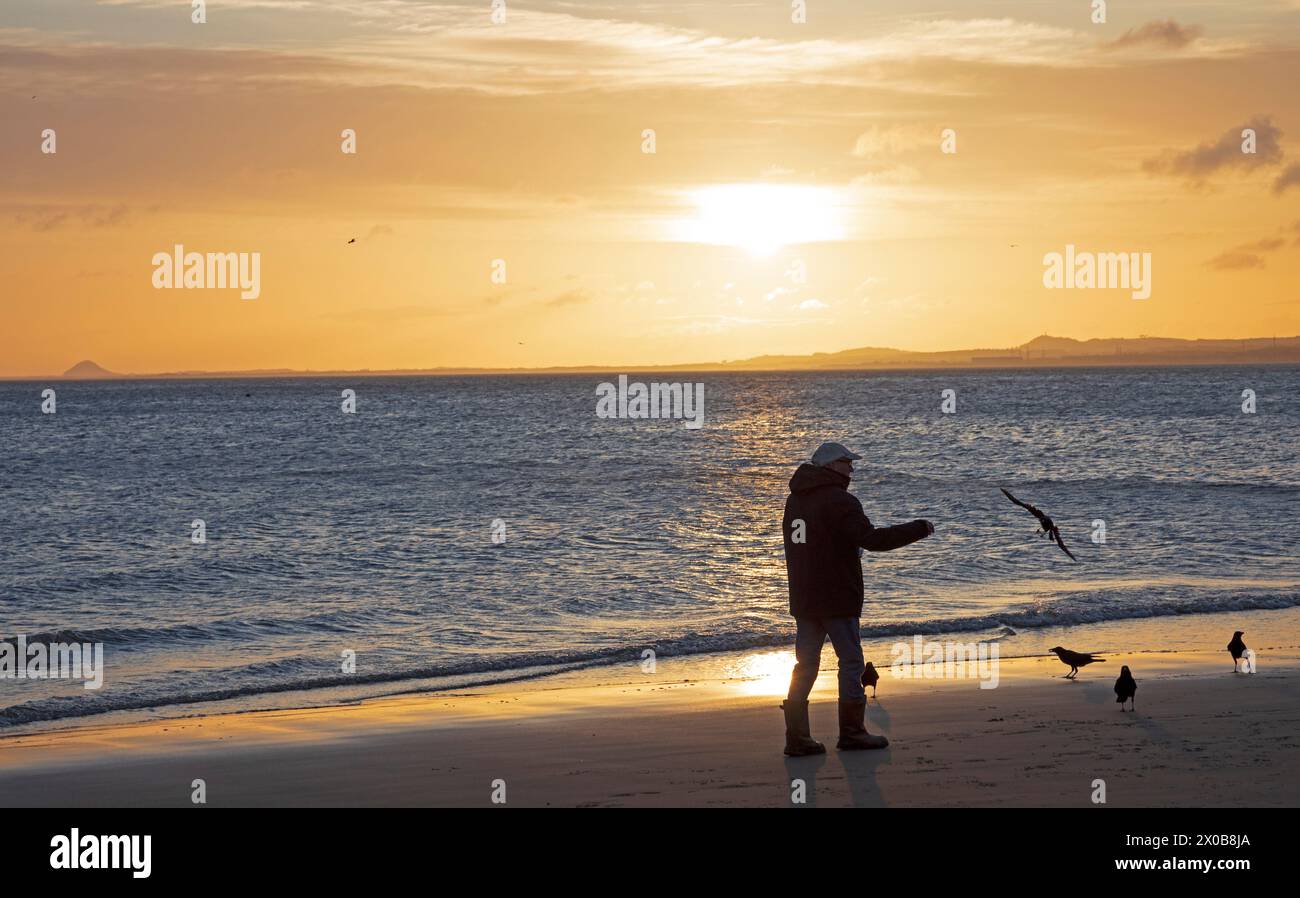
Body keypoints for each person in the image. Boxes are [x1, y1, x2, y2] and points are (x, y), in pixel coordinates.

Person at [780, 441, 934, 755]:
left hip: (804, 598)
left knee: (805, 664)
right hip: (837, 597)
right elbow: (872, 539)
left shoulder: (794, 501)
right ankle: (852, 733)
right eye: (847, 463)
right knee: (851, 661)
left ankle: (796, 738)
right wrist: (918, 528)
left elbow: (801, 547)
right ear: (832, 466)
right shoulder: (842, 501)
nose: (852, 469)